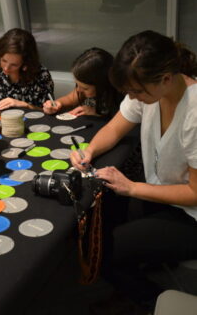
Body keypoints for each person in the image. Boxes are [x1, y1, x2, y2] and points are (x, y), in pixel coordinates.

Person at [70, 30, 197, 312]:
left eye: (137, 92)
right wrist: (89, 151)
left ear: (166, 79)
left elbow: (194, 193)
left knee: (101, 250)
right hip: (161, 195)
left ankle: (152, 301)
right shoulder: (147, 92)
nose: (133, 98)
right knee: (102, 220)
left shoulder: (194, 114)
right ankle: (135, 282)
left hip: (190, 214)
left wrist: (131, 187)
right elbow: (114, 128)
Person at [43, 48, 124, 119]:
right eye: (77, 84)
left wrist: (99, 114)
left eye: (85, 88)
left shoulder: (123, 97)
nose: (78, 90)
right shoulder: (82, 88)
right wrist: (57, 104)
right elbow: (70, 99)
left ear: (102, 84)